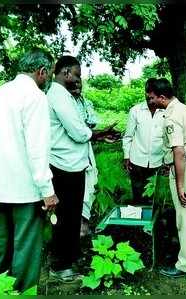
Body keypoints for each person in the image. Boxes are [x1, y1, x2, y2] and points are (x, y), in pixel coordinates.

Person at [0, 48, 59, 292]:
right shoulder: (35, 97)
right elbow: (37, 150)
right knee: (26, 248)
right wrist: (48, 190)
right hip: (27, 189)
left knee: (5, 246)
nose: (48, 80)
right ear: (41, 71)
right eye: (50, 74)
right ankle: (21, 292)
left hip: (1, 185)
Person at [47, 56, 109, 282]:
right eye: (77, 74)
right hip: (64, 166)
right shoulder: (58, 96)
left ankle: (71, 258)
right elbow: (77, 130)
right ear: (65, 73)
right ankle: (60, 265)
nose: (78, 79)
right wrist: (97, 134)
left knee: (72, 216)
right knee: (65, 218)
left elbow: (81, 126)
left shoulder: (63, 96)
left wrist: (96, 133)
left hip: (72, 164)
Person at [147, 78, 186, 278]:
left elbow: (179, 152)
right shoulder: (185, 109)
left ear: (162, 97)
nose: (150, 102)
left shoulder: (172, 117)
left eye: (152, 98)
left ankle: (185, 265)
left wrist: (180, 184)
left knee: (185, 219)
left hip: (185, 169)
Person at [122, 78, 165, 205]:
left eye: (152, 95)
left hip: (158, 161)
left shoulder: (165, 111)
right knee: (138, 195)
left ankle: (152, 222)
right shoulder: (135, 111)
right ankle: (138, 222)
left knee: (153, 196)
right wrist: (126, 156)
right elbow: (128, 136)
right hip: (137, 160)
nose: (149, 97)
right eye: (147, 93)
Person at [69, 78, 98, 237]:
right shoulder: (65, 104)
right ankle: (75, 229)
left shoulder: (85, 103)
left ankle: (84, 226)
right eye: (73, 85)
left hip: (85, 149)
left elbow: (92, 122)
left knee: (88, 188)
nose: (76, 88)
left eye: (79, 85)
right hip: (69, 156)